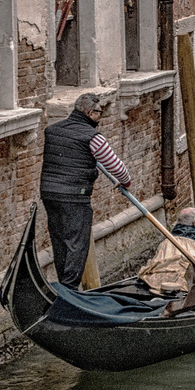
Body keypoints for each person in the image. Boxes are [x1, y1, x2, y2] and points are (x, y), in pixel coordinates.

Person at [39, 93, 132, 288]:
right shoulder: (93, 138)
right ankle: (69, 289)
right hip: (75, 196)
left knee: (60, 241)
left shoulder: (52, 131)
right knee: (77, 243)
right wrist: (125, 182)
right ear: (90, 113)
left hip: (49, 194)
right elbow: (117, 167)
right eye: (100, 112)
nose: (101, 117)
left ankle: (64, 287)